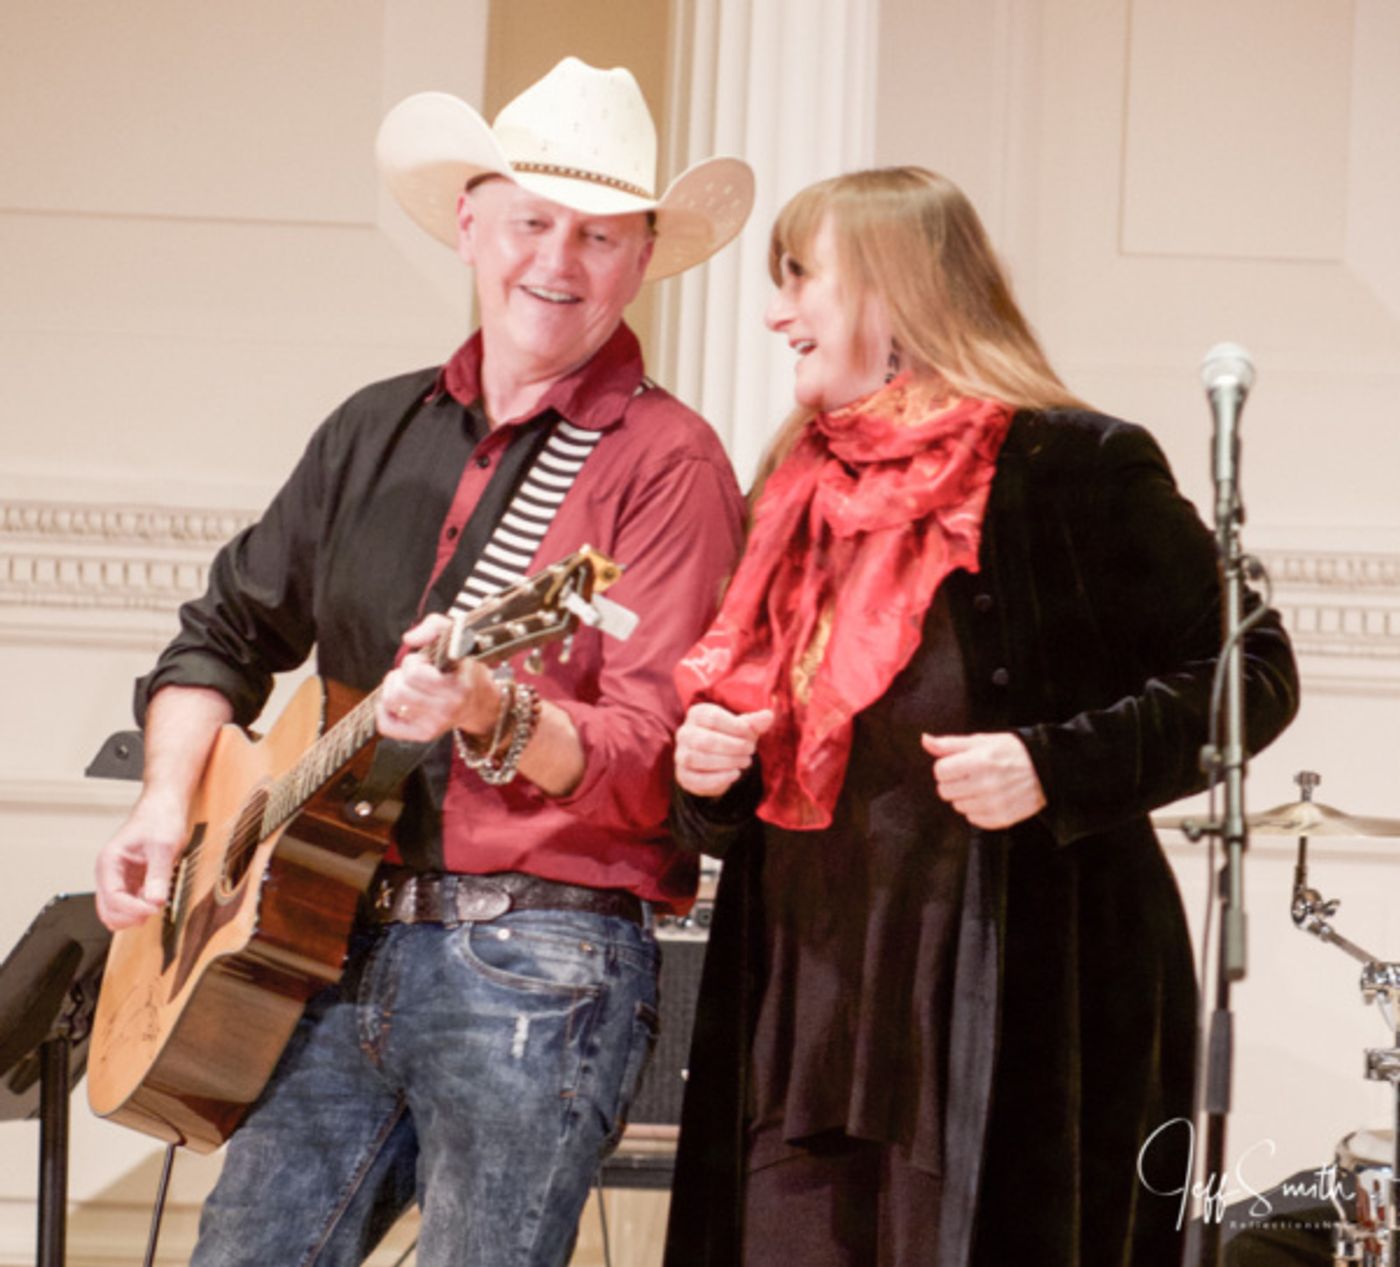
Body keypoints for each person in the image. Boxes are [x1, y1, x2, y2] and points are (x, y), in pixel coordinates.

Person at [92, 57, 752, 1266]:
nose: (556, 262)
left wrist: (493, 709)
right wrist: (165, 802)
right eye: (531, 222)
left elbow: (646, 760)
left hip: (535, 959)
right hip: (319, 944)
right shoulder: (372, 427)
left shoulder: (668, 463)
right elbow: (226, 633)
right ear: (468, 221)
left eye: (600, 236)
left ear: (644, 254)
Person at [661, 166, 1301, 1267]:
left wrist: (1053, 764)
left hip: (994, 1003)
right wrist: (705, 770)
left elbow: (1251, 668)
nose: (775, 311)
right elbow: (761, 756)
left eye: (798, 276)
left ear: (890, 287)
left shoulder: (1070, 464)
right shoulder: (790, 484)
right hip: (808, 997)